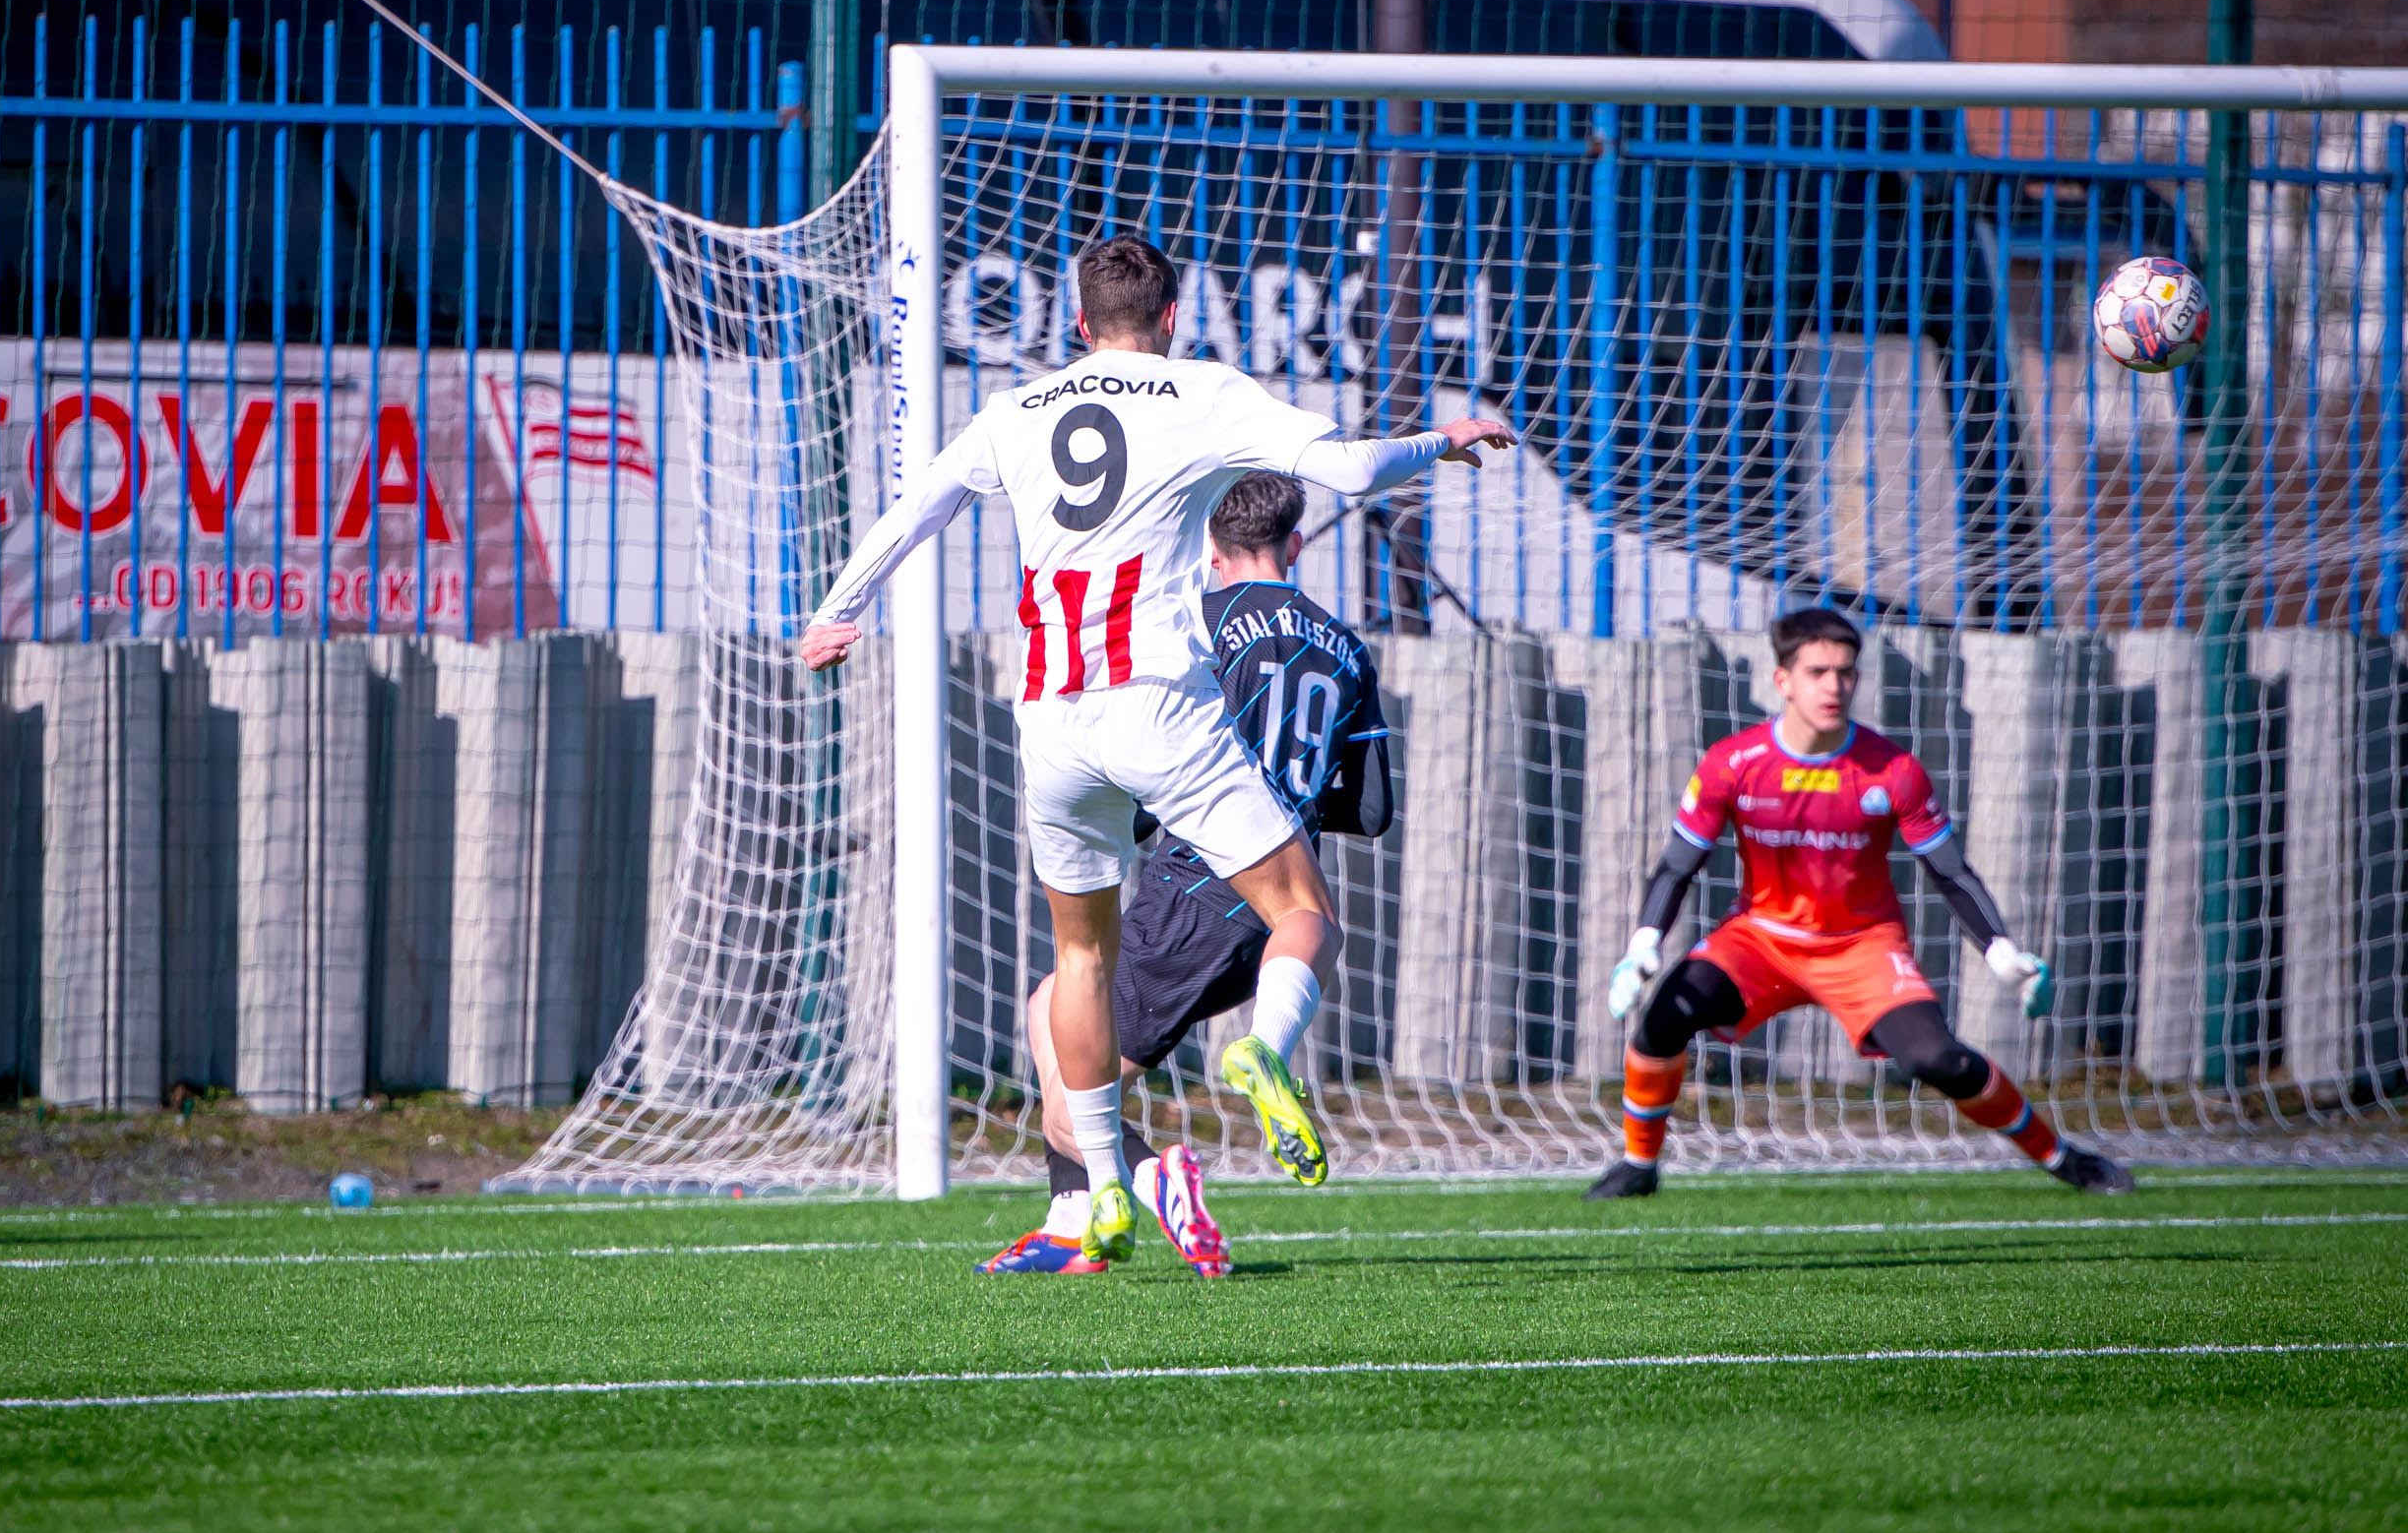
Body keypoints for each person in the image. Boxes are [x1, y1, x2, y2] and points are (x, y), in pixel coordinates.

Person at [800, 235, 1512, 1265]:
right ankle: (1265, 1050)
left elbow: (920, 506)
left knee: (1079, 958)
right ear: (1171, 316)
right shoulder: (1199, 390)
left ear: (1078, 327)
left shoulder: (1011, 413)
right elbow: (1353, 464)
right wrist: (1439, 439)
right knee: (1301, 912)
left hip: (1051, 719)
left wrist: (838, 611)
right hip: (1161, 709)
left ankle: (1099, 1195)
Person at [981, 469, 1396, 1276]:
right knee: (1054, 1011)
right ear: (1295, 544)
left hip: (1197, 882)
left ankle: (1151, 1181)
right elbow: (1373, 810)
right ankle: (1076, 1221)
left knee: (1070, 1088)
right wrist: (1297, 801)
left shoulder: (1198, 622)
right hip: (1276, 910)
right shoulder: (1347, 645)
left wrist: (1128, 817)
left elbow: (1153, 746)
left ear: (1207, 548)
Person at [1587, 606, 2132, 1199]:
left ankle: (2062, 1158)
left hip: (1862, 946)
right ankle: (1638, 1166)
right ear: (1783, 681)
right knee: (1667, 1014)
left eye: (1845, 672)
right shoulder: (1733, 764)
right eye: (1818, 671)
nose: (1834, 686)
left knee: (1937, 1060)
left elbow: (1949, 870)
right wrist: (1644, 945)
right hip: (1760, 938)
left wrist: (2002, 952)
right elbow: (1677, 863)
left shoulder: (1892, 770)